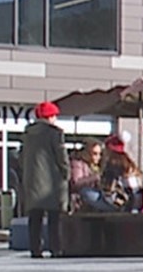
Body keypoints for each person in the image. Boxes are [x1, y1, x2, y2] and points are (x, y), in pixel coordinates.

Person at [16, 101, 70, 258]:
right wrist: (66, 174)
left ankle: (35, 249)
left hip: (32, 180)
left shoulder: (27, 134)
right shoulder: (55, 133)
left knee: (35, 218)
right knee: (55, 218)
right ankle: (55, 248)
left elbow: (21, 158)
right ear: (50, 116)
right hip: (53, 182)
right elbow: (62, 158)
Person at [99, 134, 143, 212]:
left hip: (122, 206)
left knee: (86, 192)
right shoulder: (130, 165)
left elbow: (108, 191)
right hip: (137, 205)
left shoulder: (112, 166)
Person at [69, 141, 112, 212]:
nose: (98, 157)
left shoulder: (96, 167)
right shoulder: (78, 164)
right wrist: (94, 178)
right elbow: (75, 183)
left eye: (100, 154)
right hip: (80, 201)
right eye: (95, 154)